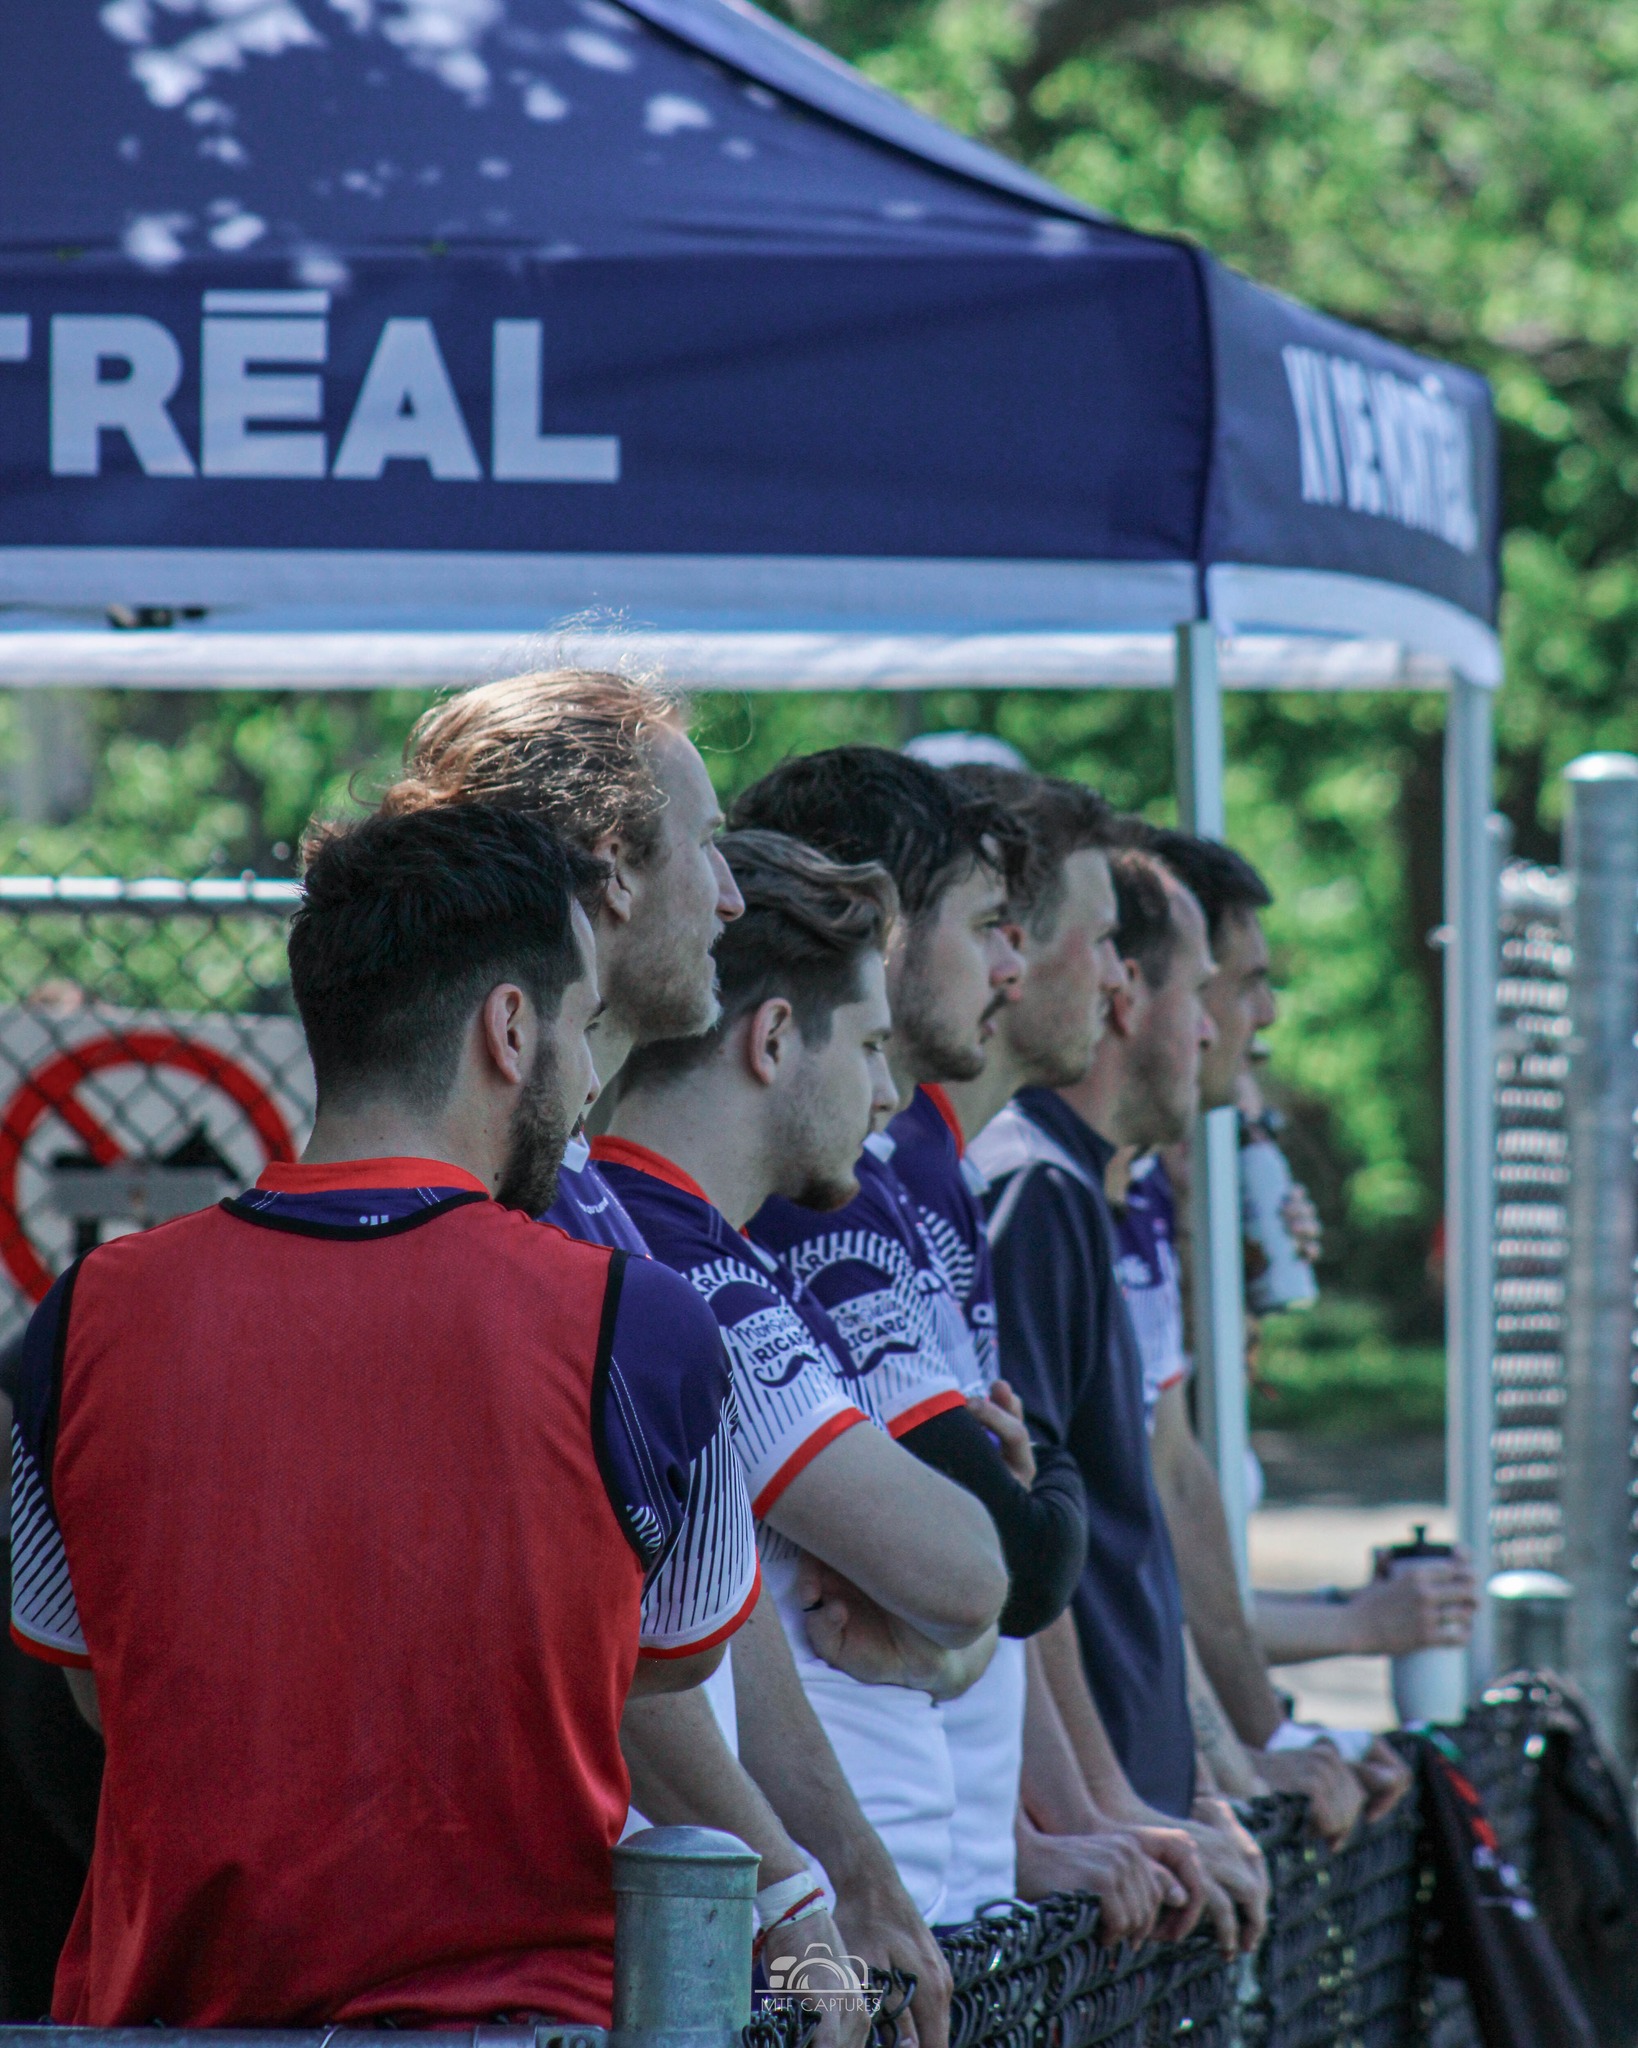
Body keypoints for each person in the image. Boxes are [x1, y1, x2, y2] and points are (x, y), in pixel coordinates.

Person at [9, 803, 759, 2026]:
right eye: (579, 1029)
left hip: (166, 2021)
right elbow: (670, 1655)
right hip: (526, 2018)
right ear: (509, 1030)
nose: (581, 1086)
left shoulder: (81, 1319)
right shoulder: (647, 1326)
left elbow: (100, 1683)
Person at [383, 673, 950, 2047]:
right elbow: (622, 1655)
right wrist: (803, 1898)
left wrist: (828, 1878)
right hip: (486, 1978)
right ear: (607, 875)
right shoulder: (493, 1204)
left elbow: (686, 1611)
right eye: (702, 847)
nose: (734, 896)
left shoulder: (571, 1188)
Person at [597, 830, 1038, 1923]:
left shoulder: (716, 1246)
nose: (888, 1096)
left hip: (835, 1930)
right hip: (796, 1944)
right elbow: (974, 1572)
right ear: (777, 1037)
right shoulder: (680, 1263)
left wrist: (951, 1636)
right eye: (873, 1047)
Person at [729, 749, 1100, 1929]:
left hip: (917, 1880)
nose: (1016, 963)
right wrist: (1022, 1523)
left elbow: (987, 1579)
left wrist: (965, 1645)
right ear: (882, 920)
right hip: (846, 1910)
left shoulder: (900, 1167)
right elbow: (1007, 1555)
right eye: (992, 922)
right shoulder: (815, 1185)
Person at [937, 777, 1265, 1956]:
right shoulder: (1036, 1188)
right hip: (1019, 1889)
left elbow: (1092, 1523)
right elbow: (1033, 1564)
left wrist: (1201, 1778)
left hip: (1106, 1854)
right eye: (1113, 948)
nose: (1220, 1023)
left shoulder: (1056, 1186)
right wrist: (1092, 1808)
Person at [1078, 845, 1410, 1837]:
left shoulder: (1130, 1202)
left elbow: (1169, 1480)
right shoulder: (1056, 1193)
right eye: (1242, 985)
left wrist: (1248, 1750)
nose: (1258, 1018)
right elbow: (1095, 1545)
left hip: (1150, 1799)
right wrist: (1243, 1752)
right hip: (1081, 1824)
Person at [1142, 829, 1480, 1675]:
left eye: (1264, 1133)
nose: (1271, 1014)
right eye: (1247, 988)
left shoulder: (1145, 1248)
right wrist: (1361, 1625)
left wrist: (1219, 1287)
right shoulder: (1057, 1210)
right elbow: (1126, 1607)